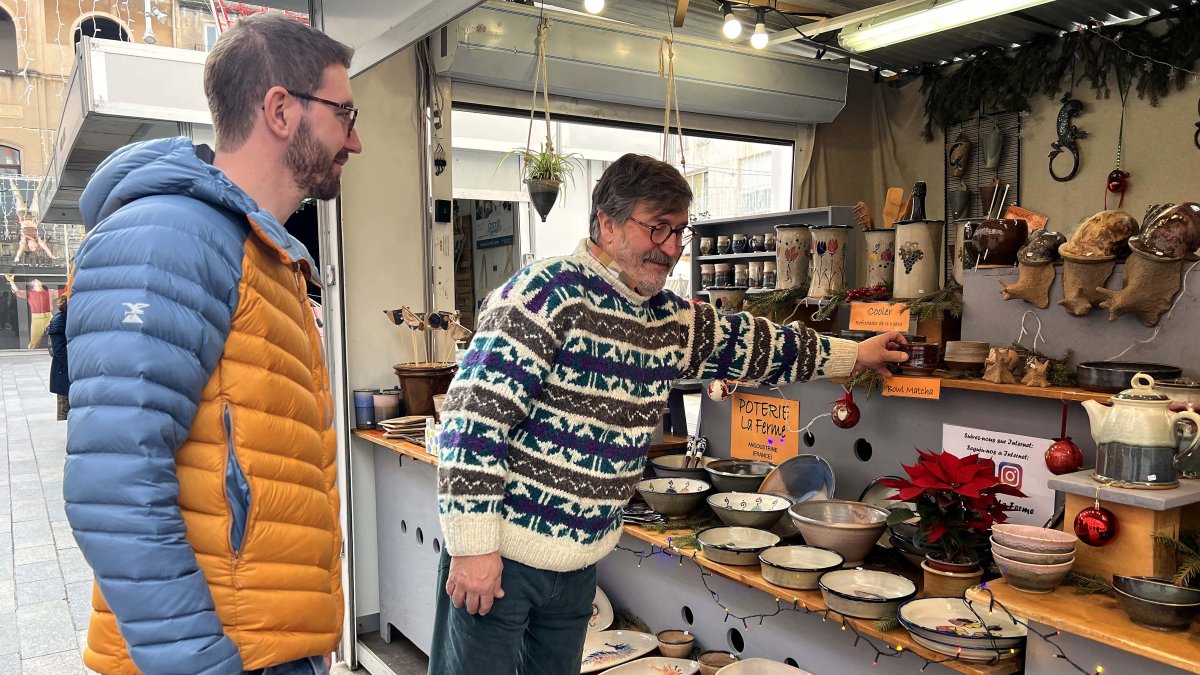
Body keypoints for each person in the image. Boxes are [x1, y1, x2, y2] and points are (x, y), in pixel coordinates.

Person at [430, 153, 908, 674]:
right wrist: (472, 547)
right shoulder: (545, 293)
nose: (672, 249)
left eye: (679, 232)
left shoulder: (667, 317)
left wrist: (854, 355)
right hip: (500, 560)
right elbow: (471, 422)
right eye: (657, 229)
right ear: (607, 223)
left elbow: (757, 345)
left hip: (577, 565)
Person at [64, 14, 361, 675]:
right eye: (345, 113)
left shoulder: (263, 253)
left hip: (271, 644)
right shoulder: (171, 238)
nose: (357, 139)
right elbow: (111, 484)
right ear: (281, 109)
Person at [5, 275, 53, 349]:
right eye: (35, 281)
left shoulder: (47, 293)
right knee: (35, 341)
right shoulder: (30, 293)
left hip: (48, 316)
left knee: (58, 331)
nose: (36, 281)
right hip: (38, 317)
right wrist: (11, 281)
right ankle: (32, 350)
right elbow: (17, 292)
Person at [46, 294, 69, 420]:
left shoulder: (67, 318)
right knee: (66, 404)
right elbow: (59, 350)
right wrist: (73, 366)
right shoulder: (60, 319)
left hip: (67, 368)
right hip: (64, 368)